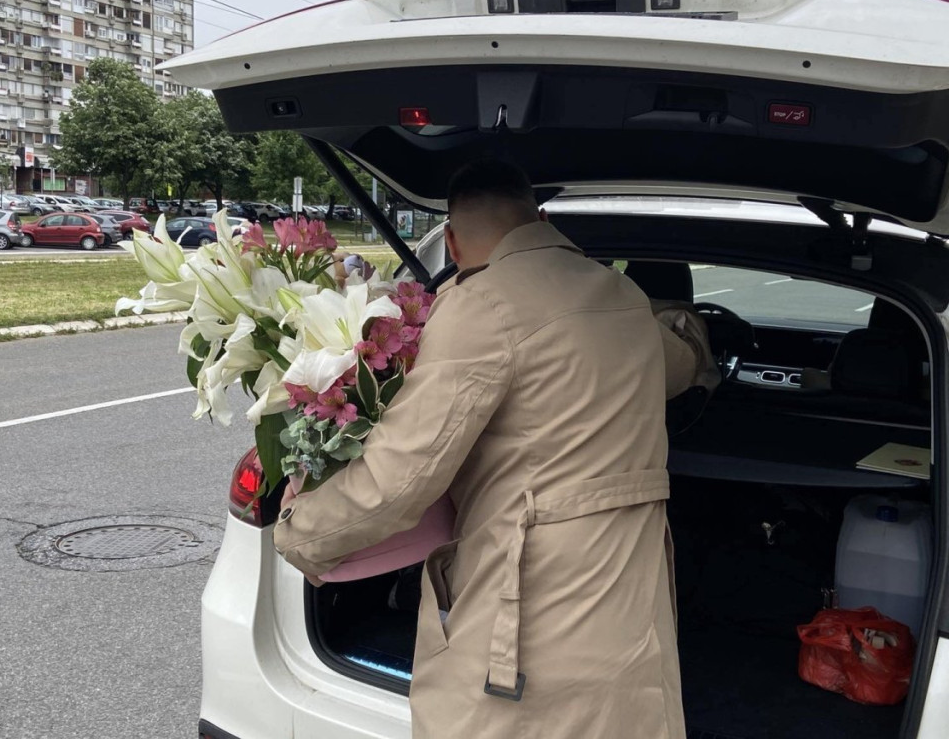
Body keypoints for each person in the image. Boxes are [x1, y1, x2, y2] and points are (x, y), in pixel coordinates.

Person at [273, 158, 700, 738]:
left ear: (450, 240)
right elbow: (681, 365)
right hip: (631, 596)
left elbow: (397, 482)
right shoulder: (625, 297)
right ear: (539, 218)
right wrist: (693, 329)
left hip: (536, 610)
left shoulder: (484, 305)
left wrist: (300, 535)